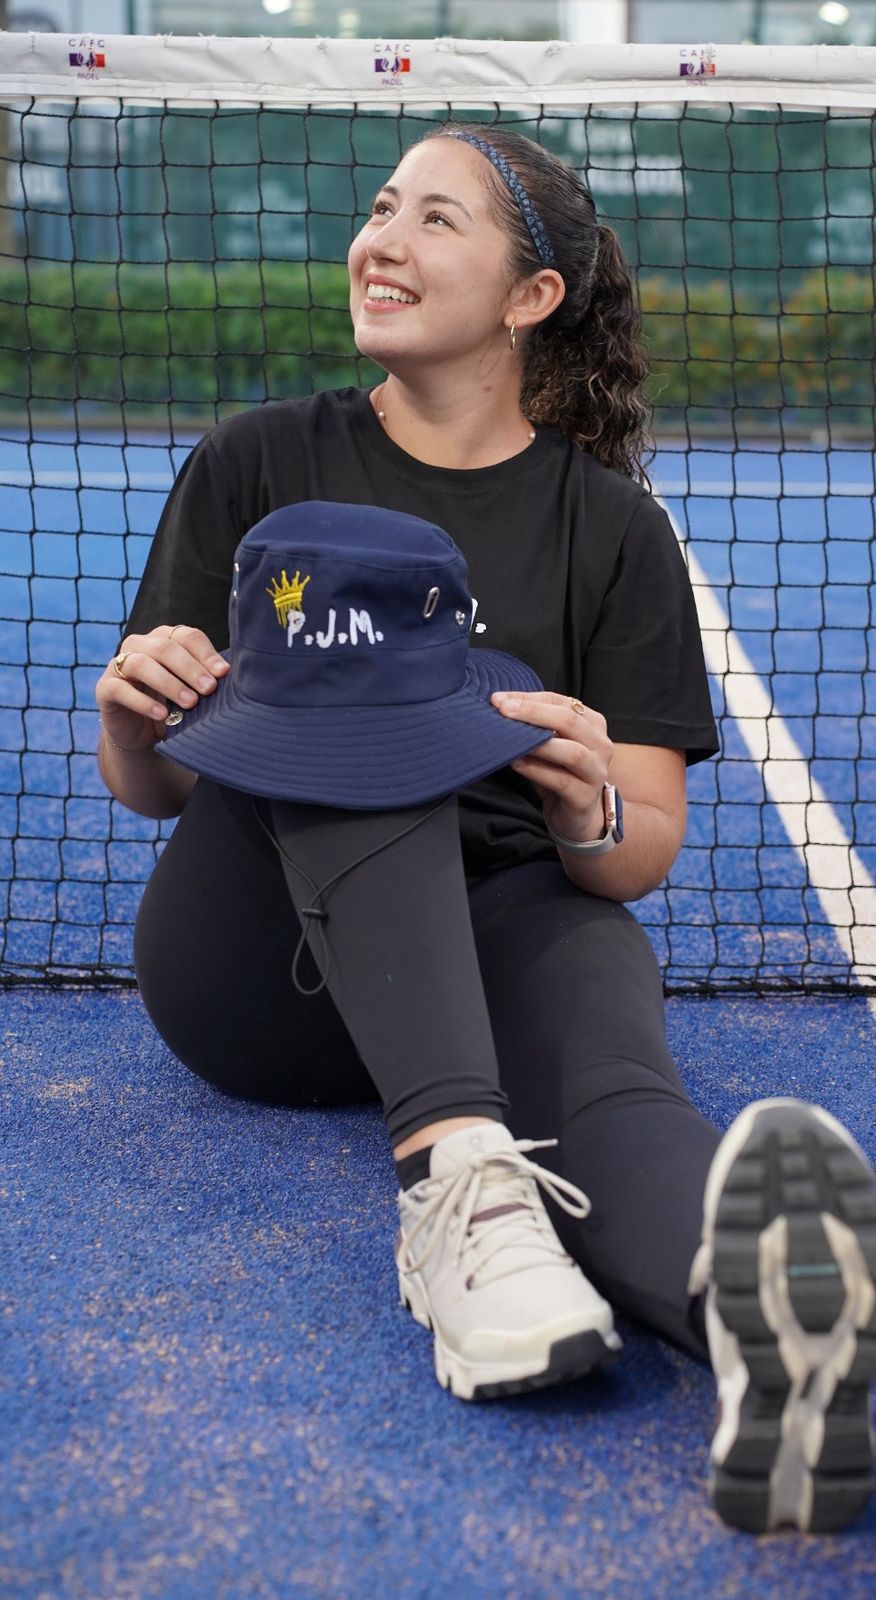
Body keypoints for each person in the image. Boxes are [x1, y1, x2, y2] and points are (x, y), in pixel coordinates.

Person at [95, 124, 876, 1536]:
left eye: (434, 219)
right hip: (263, 970)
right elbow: (160, 793)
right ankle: (459, 1184)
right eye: (381, 208)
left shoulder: (611, 528)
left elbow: (636, 852)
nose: (381, 241)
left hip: (503, 920)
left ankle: (767, 1325)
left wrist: (591, 802)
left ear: (531, 297)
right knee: (374, 703)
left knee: (620, 1093)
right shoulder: (258, 459)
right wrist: (133, 720)